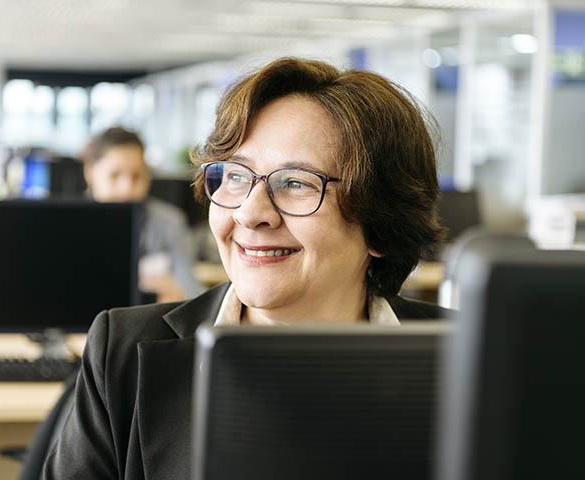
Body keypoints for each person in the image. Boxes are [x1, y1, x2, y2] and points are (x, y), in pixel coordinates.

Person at [44, 57, 450, 479]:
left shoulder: (480, 364)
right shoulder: (123, 354)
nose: (250, 213)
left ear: (382, 225)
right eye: (235, 176)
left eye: (296, 182)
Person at [82, 127, 204, 301]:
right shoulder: (68, 225)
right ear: (90, 172)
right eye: (115, 175)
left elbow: (193, 294)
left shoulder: (170, 222)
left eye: (136, 176)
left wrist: (177, 293)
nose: (127, 189)